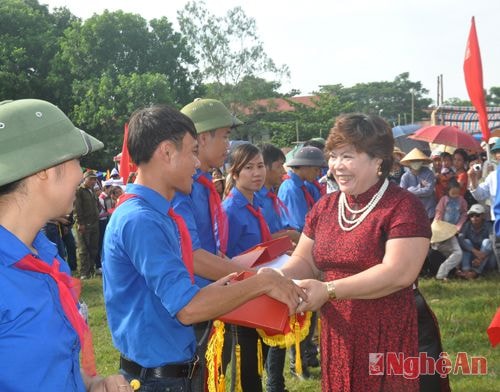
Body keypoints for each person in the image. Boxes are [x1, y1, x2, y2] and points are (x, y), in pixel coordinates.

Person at [101, 104, 305, 392]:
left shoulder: (157, 214)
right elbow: (188, 308)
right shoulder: (142, 220)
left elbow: (187, 293)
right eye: (192, 151)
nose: (197, 164)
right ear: (167, 153)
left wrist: (238, 283)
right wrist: (261, 282)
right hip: (159, 380)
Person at [278, 113, 435, 391]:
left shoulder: (403, 207)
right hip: (338, 333)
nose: (337, 166)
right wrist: (273, 277)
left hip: (387, 334)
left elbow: (398, 273)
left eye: (347, 156)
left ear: (378, 160)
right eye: (333, 156)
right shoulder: (325, 207)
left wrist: (328, 290)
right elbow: (304, 260)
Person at [0, 98, 132, 391]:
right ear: (44, 169)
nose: (80, 173)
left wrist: (92, 384)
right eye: (75, 161)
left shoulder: (45, 256)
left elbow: (50, 365)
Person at [172, 98, 247, 390]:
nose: (228, 145)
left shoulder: (202, 184)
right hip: (193, 304)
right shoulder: (183, 188)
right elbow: (192, 255)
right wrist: (251, 280)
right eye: (225, 136)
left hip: (213, 295)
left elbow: (207, 244)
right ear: (203, 138)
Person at [278, 146, 327, 232]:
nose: (319, 173)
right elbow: (298, 224)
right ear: (304, 166)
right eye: (316, 170)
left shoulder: (304, 185)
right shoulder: (291, 189)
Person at [432, 178, 467, 281]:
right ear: (448, 191)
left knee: (457, 252)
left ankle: (442, 273)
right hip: (441, 230)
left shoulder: (461, 201)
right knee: (443, 251)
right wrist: (438, 228)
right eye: (453, 193)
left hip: (453, 231)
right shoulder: (444, 200)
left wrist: (458, 227)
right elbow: (439, 213)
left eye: (457, 193)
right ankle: (446, 273)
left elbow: (464, 214)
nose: (455, 195)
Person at [457, 204, 497, 279]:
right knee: (466, 241)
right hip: (473, 258)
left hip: (487, 259)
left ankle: (475, 272)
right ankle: (466, 270)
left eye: (477, 215)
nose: (474, 218)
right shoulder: (467, 225)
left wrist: (480, 258)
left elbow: (493, 241)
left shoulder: (488, 225)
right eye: (472, 215)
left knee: (487, 241)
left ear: (482, 216)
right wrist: (475, 252)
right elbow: (461, 239)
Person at [74, 170, 100, 279]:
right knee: (83, 248)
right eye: (91, 179)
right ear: (85, 179)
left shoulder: (91, 190)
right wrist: (80, 223)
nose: (94, 181)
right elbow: (77, 208)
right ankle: (84, 272)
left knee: (93, 247)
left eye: (95, 179)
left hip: (94, 223)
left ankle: (91, 269)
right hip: (84, 223)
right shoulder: (79, 190)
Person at [399, 148, 437, 220]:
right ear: (409, 162)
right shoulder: (405, 177)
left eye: (418, 161)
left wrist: (410, 190)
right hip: (413, 212)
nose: (416, 163)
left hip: (429, 211)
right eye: (413, 161)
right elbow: (403, 195)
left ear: (422, 162)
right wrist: (420, 186)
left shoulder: (428, 173)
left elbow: (428, 191)